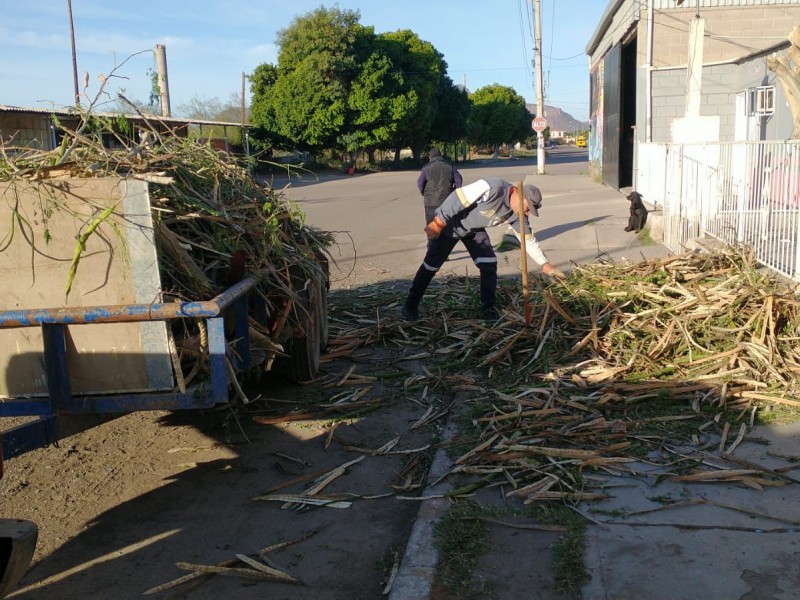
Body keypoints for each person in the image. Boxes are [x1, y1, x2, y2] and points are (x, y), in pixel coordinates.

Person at [402, 177, 565, 322]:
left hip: (473, 230)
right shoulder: (493, 188)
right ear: (517, 193)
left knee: (489, 264)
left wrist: (545, 264)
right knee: (431, 266)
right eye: (528, 207)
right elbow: (457, 198)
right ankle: (410, 306)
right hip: (451, 224)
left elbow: (528, 240)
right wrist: (438, 222)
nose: (527, 212)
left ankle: (488, 308)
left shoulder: (517, 215)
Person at [417, 147, 462, 223]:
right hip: (447, 201)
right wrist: (454, 192)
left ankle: (434, 234)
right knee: (448, 227)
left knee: (432, 228)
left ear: (430, 157)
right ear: (440, 156)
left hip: (430, 202)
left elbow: (420, 183)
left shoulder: (426, 167)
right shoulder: (450, 166)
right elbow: (459, 180)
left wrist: (425, 193)